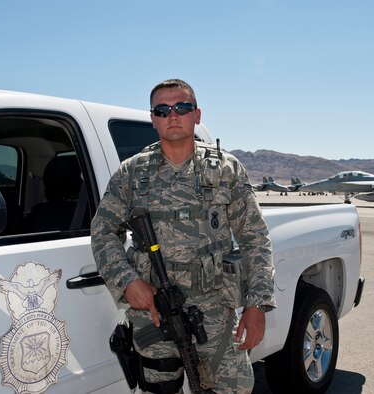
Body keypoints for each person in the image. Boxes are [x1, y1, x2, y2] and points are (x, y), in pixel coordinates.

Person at [91, 79, 275, 393]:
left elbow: (254, 238)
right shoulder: (131, 174)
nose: (172, 115)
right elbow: (103, 232)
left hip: (216, 312)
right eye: (162, 110)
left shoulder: (226, 170)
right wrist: (128, 281)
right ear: (153, 118)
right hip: (154, 314)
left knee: (236, 388)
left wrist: (256, 307)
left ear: (197, 114)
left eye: (182, 107)